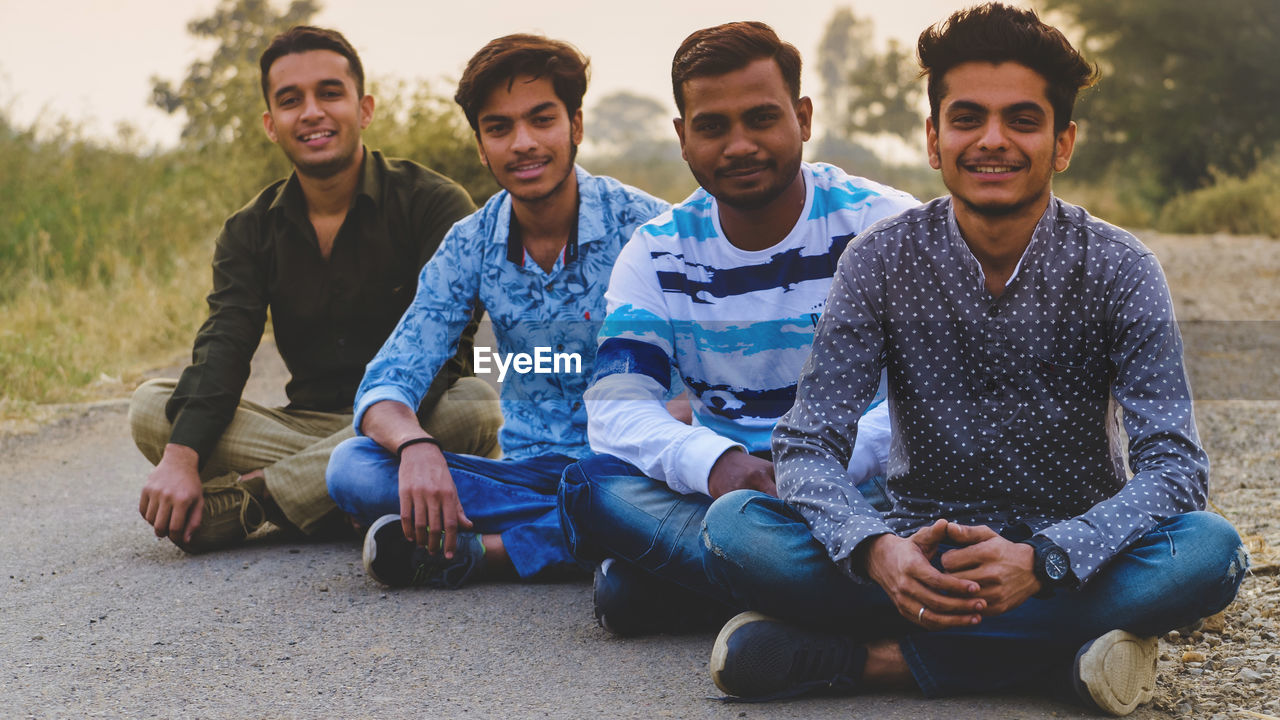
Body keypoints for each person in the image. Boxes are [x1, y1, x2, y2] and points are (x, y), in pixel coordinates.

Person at [700, 4, 1247, 716]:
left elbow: (1176, 466)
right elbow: (807, 443)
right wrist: (874, 551)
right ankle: (1057, 664)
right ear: (934, 138)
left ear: (1062, 143)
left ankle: (869, 660)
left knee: (1210, 553)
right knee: (733, 530)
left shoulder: (1120, 269)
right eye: (967, 119)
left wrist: (1044, 561)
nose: (993, 140)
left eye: (1022, 119)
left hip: (1072, 559)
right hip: (914, 552)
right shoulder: (881, 261)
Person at [557, 21, 917, 636]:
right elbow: (618, 409)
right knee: (587, 488)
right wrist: (718, 462)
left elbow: (931, 399)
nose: (739, 145)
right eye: (713, 126)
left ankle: (704, 593)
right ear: (682, 138)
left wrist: (816, 467)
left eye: (761, 119)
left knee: (649, 571)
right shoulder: (656, 251)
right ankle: (866, 596)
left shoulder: (886, 228)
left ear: (802, 118)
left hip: (874, 496)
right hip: (730, 500)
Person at [130, 26, 501, 554]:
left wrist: (393, 428)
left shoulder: (433, 204)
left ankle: (258, 501)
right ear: (271, 125)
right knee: (151, 408)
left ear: (364, 108)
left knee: (475, 407)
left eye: (329, 93)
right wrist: (182, 457)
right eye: (290, 100)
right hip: (303, 427)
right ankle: (348, 495)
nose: (311, 112)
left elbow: (443, 349)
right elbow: (225, 344)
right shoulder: (250, 229)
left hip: (410, 416)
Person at [324, 34, 670, 589]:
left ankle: (489, 553)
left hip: (632, 469)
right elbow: (389, 380)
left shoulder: (649, 229)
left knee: (664, 493)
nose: (523, 144)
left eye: (541, 120)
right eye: (499, 128)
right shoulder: (471, 243)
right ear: (482, 146)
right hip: (526, 476)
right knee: (353, 468)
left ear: (575, 127)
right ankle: (603, 542)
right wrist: (417, 449)